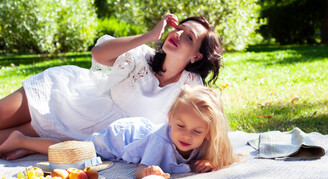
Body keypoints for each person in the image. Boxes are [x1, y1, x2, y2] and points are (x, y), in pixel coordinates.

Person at [0, 13, 223, 150]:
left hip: (82, 133)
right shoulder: (142, 57)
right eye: (179, 29)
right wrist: (149, 36)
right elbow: (98, 54)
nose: (178, 35)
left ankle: (25, 146)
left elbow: (208, 124)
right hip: (66, 97)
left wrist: (208, 159)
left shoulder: (190, 87)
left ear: (196, 56)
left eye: (189, 38)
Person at [0, 85, 238, 179]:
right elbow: (141, 171)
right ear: (170, 120)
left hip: (136, 131)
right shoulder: (161, 140)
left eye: (197, 131)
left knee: (75, 146)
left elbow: (209, 156)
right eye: (179, 126)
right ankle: (22, 140)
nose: (186, 135)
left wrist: (207, 161)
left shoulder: (204, 141)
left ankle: (26, 144)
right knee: (75, 151)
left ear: (208, 133)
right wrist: (149, 171)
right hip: (121, 138)